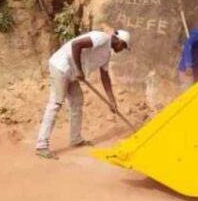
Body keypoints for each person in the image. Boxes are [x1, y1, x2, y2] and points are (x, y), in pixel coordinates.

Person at [35, 29, 131, 159]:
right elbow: (76, 44)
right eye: (123, 46)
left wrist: (111, 100)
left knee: (77, 101)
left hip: (72, 74)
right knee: (55, 104)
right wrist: (79, 70)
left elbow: (105, 77)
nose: (122, 50)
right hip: (61, 67)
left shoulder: (107, 55)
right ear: (119, 41)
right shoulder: (102, 38)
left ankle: (76, 139)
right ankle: (41, 146)